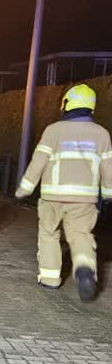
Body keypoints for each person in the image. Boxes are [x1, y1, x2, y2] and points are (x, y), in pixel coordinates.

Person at [15, 84, 112, 302]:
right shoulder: (102, 134)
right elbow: (108, 168)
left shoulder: (53, 130)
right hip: (84, 199)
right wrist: (108, 193)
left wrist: (24, 189)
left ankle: (50, 278)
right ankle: (85, 268)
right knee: (81, 236)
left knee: (49, 235)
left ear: (66, 104)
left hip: (52, 196)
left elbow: (38, 162)